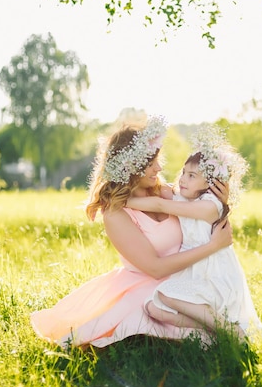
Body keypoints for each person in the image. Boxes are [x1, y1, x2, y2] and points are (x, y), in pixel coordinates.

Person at [30, 114, 232, 348]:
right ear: (131, 166)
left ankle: (223, 328)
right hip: (146, 285)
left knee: (215, 315)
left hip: (186, 277)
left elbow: (205, 218)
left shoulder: (165, 193)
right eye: (151, 162)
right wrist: (212, 247)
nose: (159, 167)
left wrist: (222, 203)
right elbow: (155, 268)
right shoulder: (116, 214)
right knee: (169, 325)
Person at [126, 125, 262, 339]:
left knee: (165, 295)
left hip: (212, 272)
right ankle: (213, 329)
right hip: (191, 269)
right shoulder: (185, 197)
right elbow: (161, 191)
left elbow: (161, 204)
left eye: (192, 176)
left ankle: (232, 332)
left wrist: (122, 202)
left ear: (210, 183)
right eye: (183, 172)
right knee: (154, 307)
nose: (183, 179)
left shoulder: (210, 205)